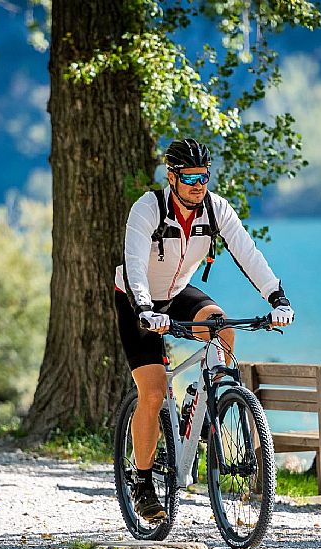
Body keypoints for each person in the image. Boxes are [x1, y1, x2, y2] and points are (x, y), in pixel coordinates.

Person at [113, 137, 295, 523]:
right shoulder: (147, 209)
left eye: (205, 176)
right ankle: (142, 480)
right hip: (136, 299)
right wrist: (145, 309)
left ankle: (200, 402)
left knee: (222, 327)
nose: (199, 185)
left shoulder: (216, 210)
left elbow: (248, 252)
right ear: (172, 177)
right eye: (190, 177)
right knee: (153, 391)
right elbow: (134, 265)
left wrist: (277, 298)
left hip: (177, 292)